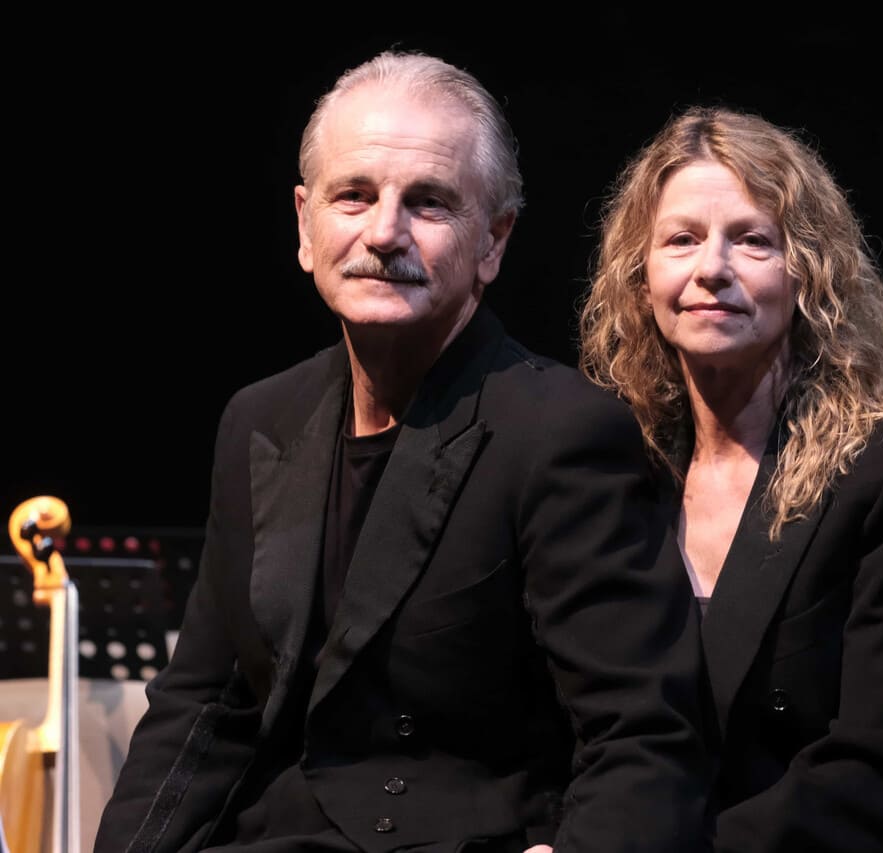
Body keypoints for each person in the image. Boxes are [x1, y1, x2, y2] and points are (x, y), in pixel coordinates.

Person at [95, 51, 713, 853]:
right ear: (305, 225)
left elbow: (646, 736)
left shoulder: (561, 430)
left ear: (492, 241)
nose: (384, 232)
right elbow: (201, 711)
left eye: (428, 202)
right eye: (353, 195)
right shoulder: (260, 417)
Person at [579, 106, 883, 852]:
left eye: (752, 240)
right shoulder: (615, 469)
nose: (712, 268)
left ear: (808, 271)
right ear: (640, 279)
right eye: (681, 239)